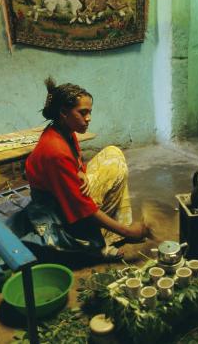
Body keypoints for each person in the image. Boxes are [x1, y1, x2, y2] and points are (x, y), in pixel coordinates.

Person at [18, 77, 148, 261]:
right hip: (52, 209)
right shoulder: (55, 150)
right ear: (63, 112)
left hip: (57, 193)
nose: (89, 118)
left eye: (90, 112)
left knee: (113, 153)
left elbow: (75, 158)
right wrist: (129, 232)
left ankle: (112, 230)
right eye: (83, 112)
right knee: (112, 174)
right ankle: (104, 241)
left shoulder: (63, 131)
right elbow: (81, 209)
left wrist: (79, 170)